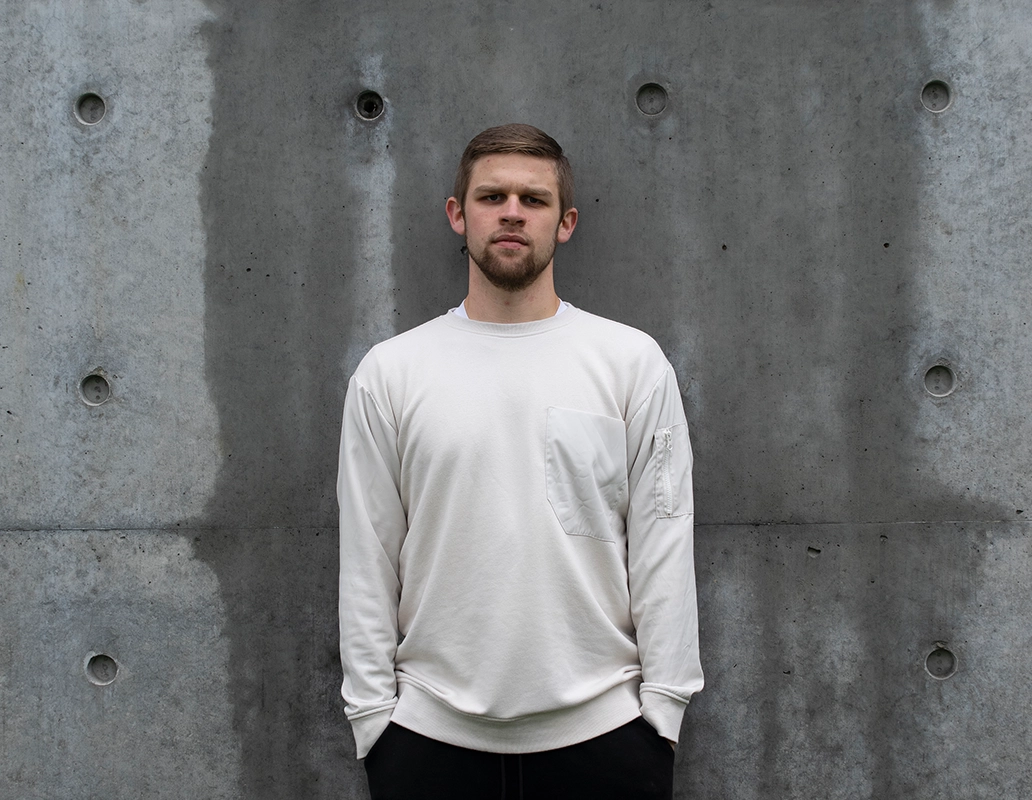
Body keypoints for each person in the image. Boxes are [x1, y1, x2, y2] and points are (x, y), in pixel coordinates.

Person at [338, 123, 703, 800]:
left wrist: (664, 712)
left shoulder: (628, 363)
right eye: (492, 195)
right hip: (426, 743)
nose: (511, 211)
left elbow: (662, 541)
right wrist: (372, 720)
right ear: (459, 214)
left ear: (564, 224)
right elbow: (368, 555)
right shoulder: (392, 373)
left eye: (533, 200)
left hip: (608, 740)